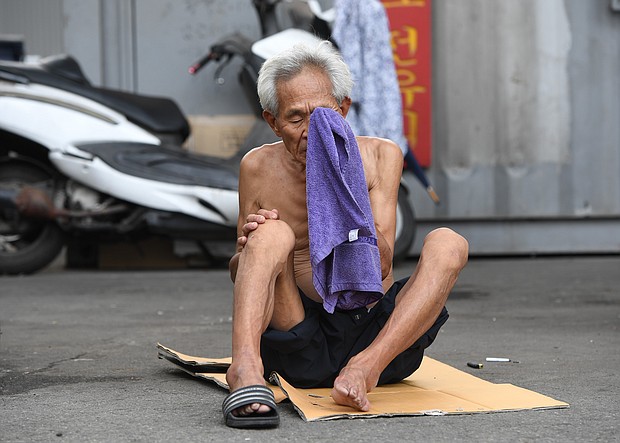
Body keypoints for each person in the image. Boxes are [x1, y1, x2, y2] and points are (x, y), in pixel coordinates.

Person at [222, 41, 468, 429]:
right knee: (271, 234)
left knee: (449, 242)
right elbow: (239, 271)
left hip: (379, 341)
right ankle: (245, 369)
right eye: (295, 118)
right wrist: (249, 249)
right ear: (272, 122)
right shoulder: (257, 167)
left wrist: (341, 185)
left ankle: (363, 370)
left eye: (324, 115)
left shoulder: (381, 156)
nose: (310, 131)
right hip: (301, 339)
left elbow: (380, 263)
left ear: (344, 109)